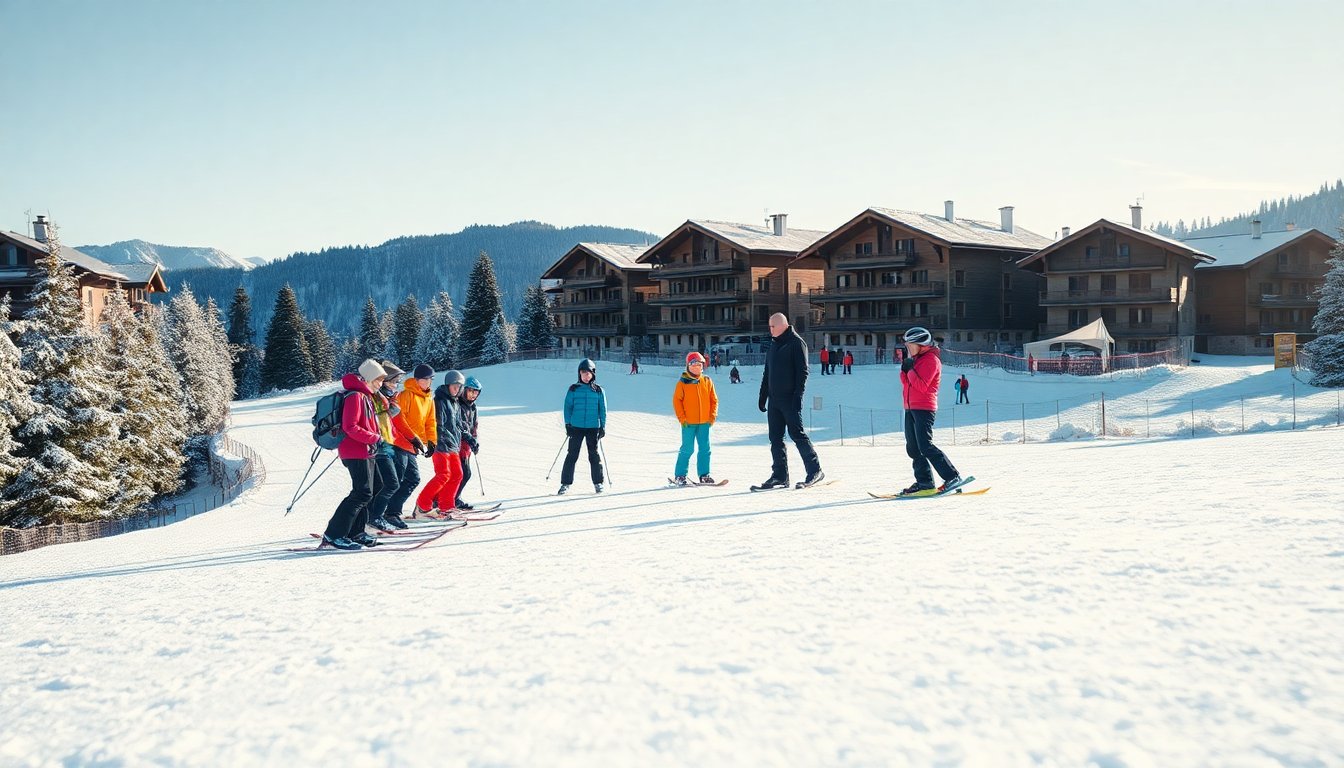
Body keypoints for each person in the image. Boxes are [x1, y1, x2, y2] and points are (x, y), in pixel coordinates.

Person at [320, 359, 389, 550]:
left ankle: (356, 531)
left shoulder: (366, 396)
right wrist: (374, 438)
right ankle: (333, 534)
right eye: (378, 379)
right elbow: (350, 427)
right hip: (355, 451)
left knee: (375, 487)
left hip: (366, 451)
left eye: (382, 380)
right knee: (362, 492)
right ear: (367, 378)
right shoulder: (355, 396)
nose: (380, 383)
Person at [756, 313, 822, 489]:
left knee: (797, 435)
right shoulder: (774, 344)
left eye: (772, 327)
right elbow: (767, 372)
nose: (769, 330)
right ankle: (780, 475)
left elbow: (803, 372)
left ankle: (814, 470)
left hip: (790, 399)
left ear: (782, 325)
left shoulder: (796, 343)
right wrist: (763, 396)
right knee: (775, 438)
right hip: (774, 400)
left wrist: (798, 397)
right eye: (769, 326)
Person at [898, 327, 962, 495]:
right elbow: (907, 384)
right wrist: (905, 370)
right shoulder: (917, 359)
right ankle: (924, 482)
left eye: (910, 345)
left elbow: (922, 385)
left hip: (924, 407)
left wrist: (910, 370)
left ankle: (952, 476)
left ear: (921, 344)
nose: (908, 349)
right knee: (913, 448)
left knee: (925, 446)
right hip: (910, 407)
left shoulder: (931, 360)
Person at [366, 361, 420, 531]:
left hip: (390, 444)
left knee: (390, 484)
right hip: (380, 446)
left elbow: (398, 422)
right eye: (392, 381)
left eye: (397, 382)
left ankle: (378, 517)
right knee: (387, 484)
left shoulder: (390, 399)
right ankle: (374, 518)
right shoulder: (374, 398)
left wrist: (413, 438)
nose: (395, 385)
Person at [387, 363, 435, 523]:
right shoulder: (405, 395)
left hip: (413, 446)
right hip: (399, 443)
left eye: (430, 379)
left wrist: (431, 442)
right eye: (426, 379)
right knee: (396, 480)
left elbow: (430, 422)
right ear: (417, 380)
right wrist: (413, 437)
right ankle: (388, 513)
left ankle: (392, 511)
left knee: (413, 479)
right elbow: (398, 419)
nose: (429, 382)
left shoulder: (429, 399)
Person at [415, 370, 466, 517]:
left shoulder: (455, 402)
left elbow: (457, 425)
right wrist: (447, 439)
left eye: (459, 387)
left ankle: (446, 505)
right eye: (454, 386)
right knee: (443, 474)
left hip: (453, 446)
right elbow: (439, 425)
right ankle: (422, 504)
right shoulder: (440, 400)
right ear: (448, 385)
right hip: (441, 445)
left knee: (457, 474)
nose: (457, 389)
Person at [559, 358, 606, 494]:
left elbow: (602, 409)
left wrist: (602, 426)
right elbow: (567, 407)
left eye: (588, 373)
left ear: (593, 374)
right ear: (579, 374)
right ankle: (565, 484)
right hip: (576, 427)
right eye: (583, 373)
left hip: (592, 427)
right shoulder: (573, 389)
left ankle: (598, 483)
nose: (586, 375)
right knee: (572, 455)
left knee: (594, 456)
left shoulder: (598, 391)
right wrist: (568, 424)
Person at [671, 351, 719, 485]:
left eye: (699, 364)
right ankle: (680, 475)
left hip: (704, 422)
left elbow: (714, 400)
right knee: (687, 449)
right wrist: (682, 418)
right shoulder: (683, 383)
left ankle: (704, 474)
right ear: (688, 366)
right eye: (693, 364)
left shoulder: (707, 381)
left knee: (705, 449)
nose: (697, 367)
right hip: (688, 423)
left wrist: (712, 417)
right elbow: (677, 401)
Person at [454, 376, 483, 510]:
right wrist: (469, 438)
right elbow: (460, 426)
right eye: (471, 391)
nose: (473, 395)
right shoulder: (458, 404)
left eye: (476, 392)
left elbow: (474, 426)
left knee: (464, 473)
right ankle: (448, 498)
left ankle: (454, 497)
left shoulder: (473, 407)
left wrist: (474, 440)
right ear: (464, 390)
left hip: (466, 446)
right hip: (456, 444)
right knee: (461, 473)